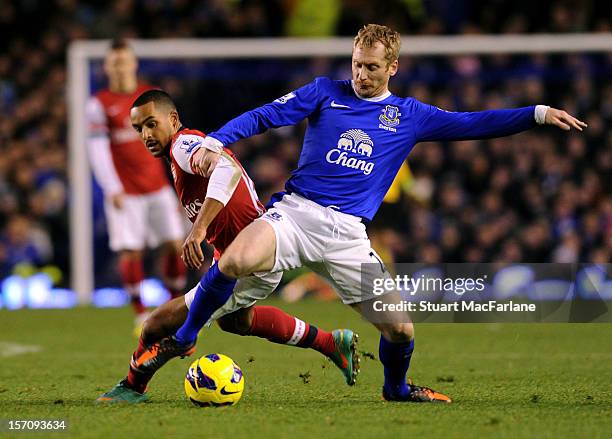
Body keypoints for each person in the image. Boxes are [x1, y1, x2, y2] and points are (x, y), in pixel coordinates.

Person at [147, 24, 587, 403]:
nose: (361, 74)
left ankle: (395, 389)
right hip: (296, 216)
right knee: (236, 260)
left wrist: (538, 113)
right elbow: (268, 115)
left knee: (401, 331)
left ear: (392, 67)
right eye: (357, 64)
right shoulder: (325, 92)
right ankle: (186, 336)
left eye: (372, 67)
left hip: (348, 237)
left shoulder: (410, 116)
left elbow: (473, 123)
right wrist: (215, 140)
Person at [96, 90, 358, 403]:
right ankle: (331, 344)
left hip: (251, 254)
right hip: (241, 254)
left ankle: (132, 386)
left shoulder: (184, 145)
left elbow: (227, 169)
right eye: (139, 129)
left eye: (152, 124)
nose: (146, 135)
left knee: (155, 325)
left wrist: (199, 229)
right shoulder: (176, 157)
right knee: (236, 321)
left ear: (173, 119)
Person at [86, 39, 187, 334]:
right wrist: (111, 186)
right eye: (114, 62)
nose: (120, 67)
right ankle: (140, 315)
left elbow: (172, 140)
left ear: (133, 63)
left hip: (156, 186)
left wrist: (181, 181)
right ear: (106, 67)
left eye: (124, 61)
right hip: (125, 192)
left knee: (174, 244)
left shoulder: (149, 97)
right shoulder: (98, 104)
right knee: (131, 251)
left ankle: (173, 309)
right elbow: (98, 150)